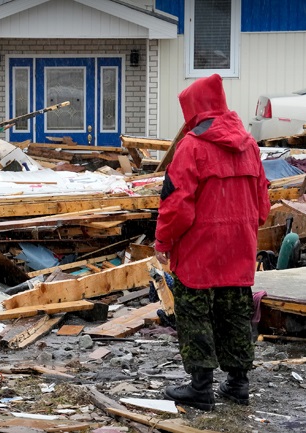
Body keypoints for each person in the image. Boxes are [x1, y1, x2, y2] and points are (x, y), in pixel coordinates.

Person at [154, 73, 270, 411]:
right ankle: (237, 385)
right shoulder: (249, 144)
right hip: (240, 248)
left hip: (199, 249)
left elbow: (176, 204)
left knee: (195, 315)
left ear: (194, 109)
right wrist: (244, 228)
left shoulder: (191, 146)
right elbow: (263, 202)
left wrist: (163, 241)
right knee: (235, 313)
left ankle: (201, 388)